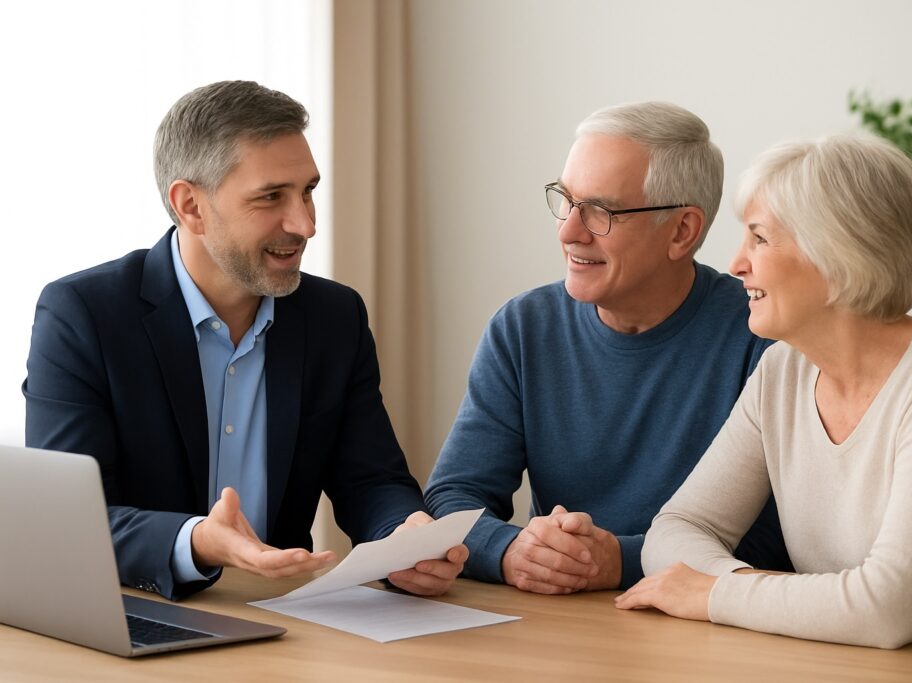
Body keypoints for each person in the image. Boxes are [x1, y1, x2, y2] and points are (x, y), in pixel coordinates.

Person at [23, 80, 467, 601]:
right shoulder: (83, 315)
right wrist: (197, 542)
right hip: (134, 613)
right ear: (190, 205)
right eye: (272, 197)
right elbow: (69, 523)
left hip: (283, 617)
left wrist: (403, 538)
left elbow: (371, 479)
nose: (304, 223)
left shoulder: (334, 317)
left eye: (307, 191)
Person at [616, 134, 912, 679]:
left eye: (760, 239)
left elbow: (888, 609)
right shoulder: (782, 372)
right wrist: (742, 591)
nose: (736, 263)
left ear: (837, 256)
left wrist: (712, 593)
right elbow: (677, 528)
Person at [424, 102, 792, 595]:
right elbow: (453, 494)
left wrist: (621, 561)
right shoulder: (523, 328)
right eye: (566, 201)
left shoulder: (764, 339)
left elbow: (779, 537)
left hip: (705, 629)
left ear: (682, 231)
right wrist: (510, 551)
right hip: (555, 626)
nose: (569, 230)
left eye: (601, 211)